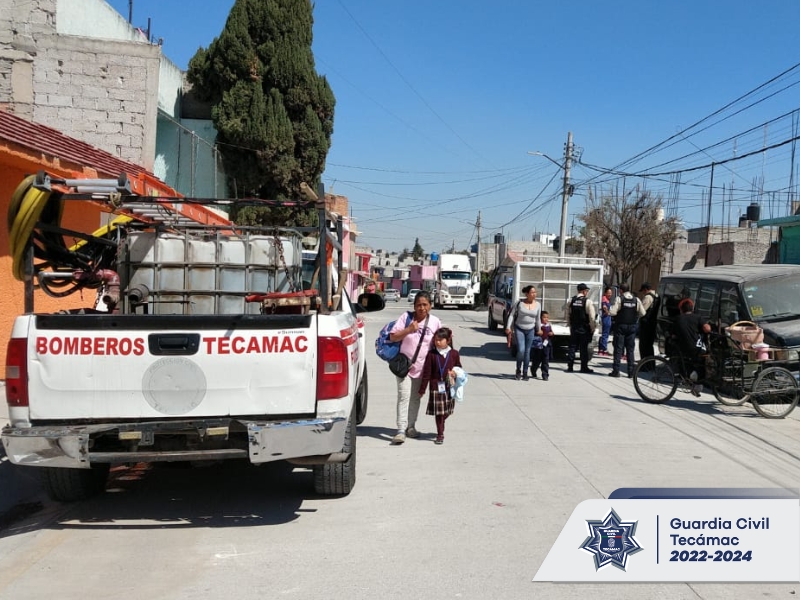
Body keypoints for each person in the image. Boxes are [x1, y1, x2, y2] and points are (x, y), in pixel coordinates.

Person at [388, 290, 441, 445]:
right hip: (404, 366)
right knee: (403, 396)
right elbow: (393, 337)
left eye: (425, 305)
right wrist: (409, 330)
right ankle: (400, 430)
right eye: (419, 305)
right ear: (414, 306)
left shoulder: (435, 322)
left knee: (416, 398)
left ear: (430, 306)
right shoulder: (406, 318)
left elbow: (442, 341)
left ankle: (411, 427)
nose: (422, 308)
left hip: (423, 368)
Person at [419, 327, 462, 444]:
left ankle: (442, 422)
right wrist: (422, 389)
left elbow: (459, 368)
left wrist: (455, 372)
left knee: (447, 411)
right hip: (436, 387)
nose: (437, 342)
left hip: (450, 386)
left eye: (440, 340)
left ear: (448, 340)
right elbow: (427, 373)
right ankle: (440, 434)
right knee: (439, 413)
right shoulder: (431, 354)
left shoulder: (454, 354)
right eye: (436, 340)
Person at [673, 298, 711, 397]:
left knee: (685, 361)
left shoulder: (678, 319)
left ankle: (690, 376)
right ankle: (698, 385)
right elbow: (707, 329)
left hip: (683, 349)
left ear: (681, 309)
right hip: (698, 349)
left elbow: (673, 334)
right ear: (692, 308)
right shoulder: (698, 317)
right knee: (703, 361)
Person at [504, 285, 542, 380]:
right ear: (527, 294)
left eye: (535, 292)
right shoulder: (519, 303)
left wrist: (539, 329)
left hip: (531, 329)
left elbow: (537, 319)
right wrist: (508, 327)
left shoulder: (538, 305)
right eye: (532, 292)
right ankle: (518, 369)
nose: (534, 294)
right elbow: (512, 315)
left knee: (527, 351)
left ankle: (525, 372)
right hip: (519, 328)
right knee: (521, 350)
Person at [608, 283, 646, 378]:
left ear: (621, 290)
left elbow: (613, 312)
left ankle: (616, 371)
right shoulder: (636, 299)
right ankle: (631, 372)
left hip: (621, 326)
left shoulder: (619, 299)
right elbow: (643, 312)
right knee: (630, 350)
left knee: (618, 349)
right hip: (632, 326)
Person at [566, 283, 597, 373]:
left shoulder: (571, 300)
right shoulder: (588, 301)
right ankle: (583, 367)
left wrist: (569, 324)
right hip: (584, 328)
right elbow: (592, 317)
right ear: (583, 291)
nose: (587, 292)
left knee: (572, 346)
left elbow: (567, 314)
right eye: (586, 291)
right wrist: (593, 327)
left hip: (574, 327)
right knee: (583, 348)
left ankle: (570, 366)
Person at [638, 282, 659, 361]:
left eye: (643, 291)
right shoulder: (657, 296)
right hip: (653, 324)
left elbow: (642, 311)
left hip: (646, 324)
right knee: (650, 346)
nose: (643, 293)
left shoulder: (648, 297)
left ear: (646, 290)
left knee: (643, 345)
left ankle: (644, 365)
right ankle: (650, 364)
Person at [531, 310, 554, 380]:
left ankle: (545, 374)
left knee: (545, 360)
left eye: (547, 317)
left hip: (546, 345)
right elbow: (534, 334)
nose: (546, 319)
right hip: (539, 346)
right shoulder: (538, 326)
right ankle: (533, 370)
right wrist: (538, 333)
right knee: (537, 360)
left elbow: (551, 332)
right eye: (544, 317)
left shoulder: (549, 325)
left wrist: (552, 334)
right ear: (540, 318)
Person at [599, 286, 613, 356]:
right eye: (608, 293)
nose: (610, 294)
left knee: (604, 334)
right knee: (605, 334)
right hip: (606, 318)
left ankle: (601, 349)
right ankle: (604, 350)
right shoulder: (604, 299)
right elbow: (604, 307)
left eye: (611, 293)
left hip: (607, 318)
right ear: (605, 293)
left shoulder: (607, 299)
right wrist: (608, 312)